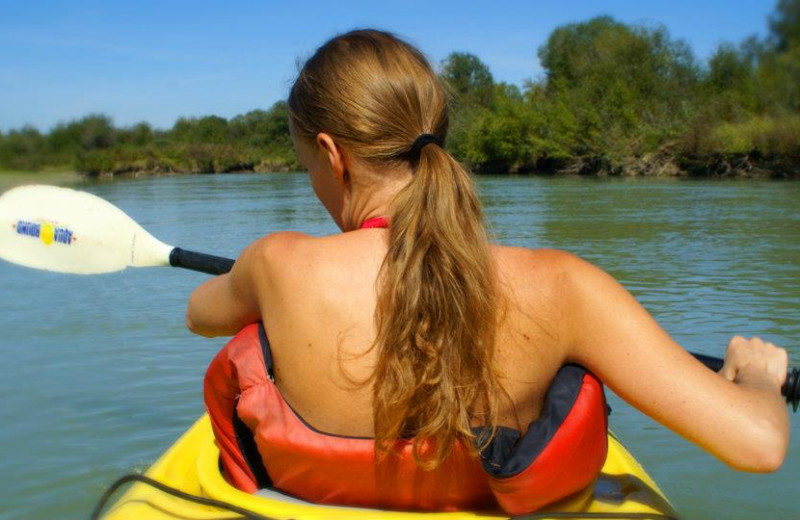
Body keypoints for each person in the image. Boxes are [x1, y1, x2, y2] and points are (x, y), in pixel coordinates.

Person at [186, 29, 789, 514]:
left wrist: (260, 281)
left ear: (332, 155)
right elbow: (759, 445)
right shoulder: (563, 287)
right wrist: (759, 378)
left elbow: (200, 315)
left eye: (307, 166)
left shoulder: (275, 264)